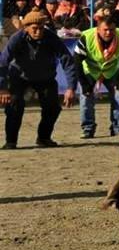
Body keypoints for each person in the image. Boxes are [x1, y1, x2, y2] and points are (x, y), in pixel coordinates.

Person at [0, 9, 77, 148]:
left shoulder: (52, 38)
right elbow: (3, 63)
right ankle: (11, 141)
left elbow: (68, 61)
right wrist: (3, 88)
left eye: (41, 28)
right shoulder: (16, 39)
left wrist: (71, 88)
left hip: (45, 78)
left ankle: (44, 138)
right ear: (26, 28)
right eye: (34, 28)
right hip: (19, 77)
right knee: (14, 106)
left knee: (53, 107)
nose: (38, 31)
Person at [75, 15, 119, 138]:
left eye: (111, 30)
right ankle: (88, 128)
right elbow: (77, 62)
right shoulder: (86, 37)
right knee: (86, 97)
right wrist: (84, 84)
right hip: (90, 70)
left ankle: (116, 128)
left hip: (111, 71)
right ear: (98, 29)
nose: (108, 32)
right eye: (105, 29)